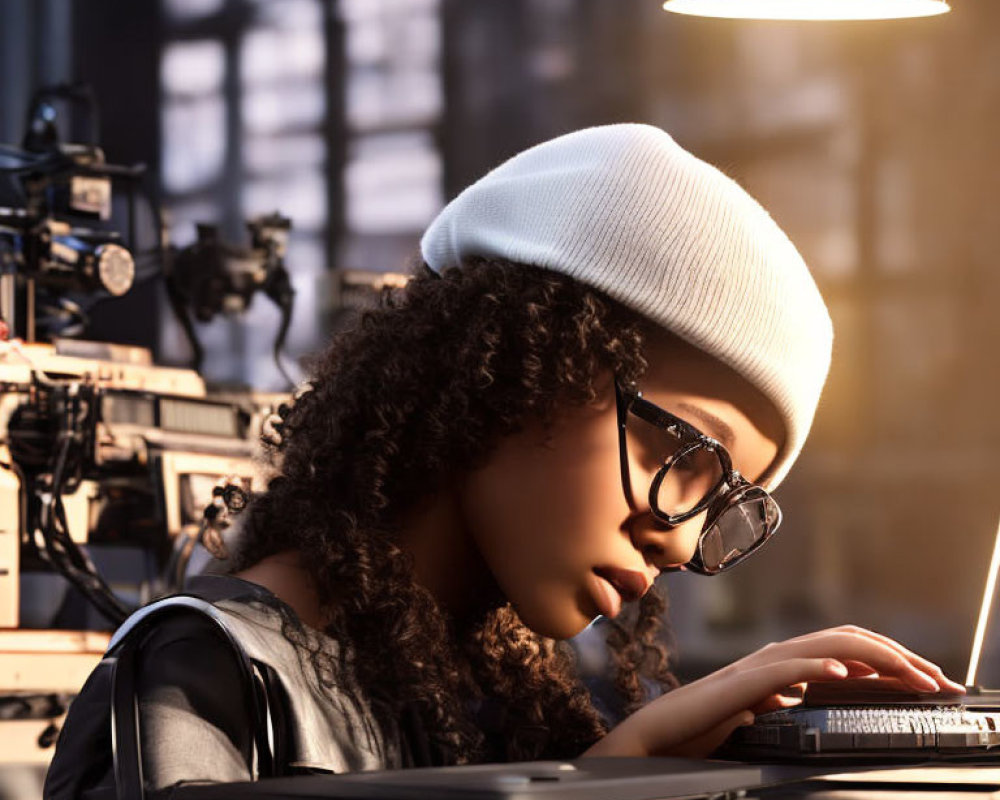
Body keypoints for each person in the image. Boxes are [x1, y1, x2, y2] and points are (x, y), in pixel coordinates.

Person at [44, 124, 964, 798]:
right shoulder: (202, 681)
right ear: (517, 367)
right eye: (682, 450)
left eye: (723, 502)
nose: (680, 545)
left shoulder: (495, 708)